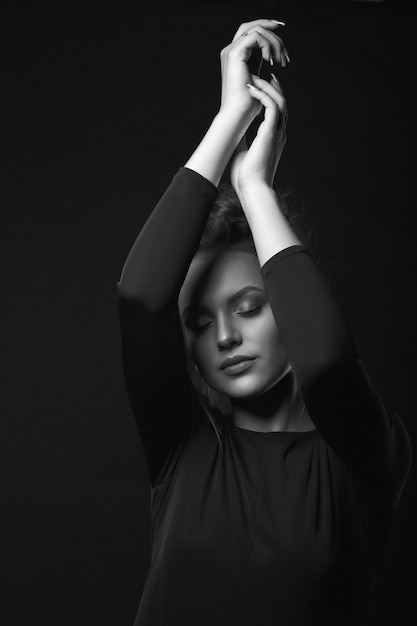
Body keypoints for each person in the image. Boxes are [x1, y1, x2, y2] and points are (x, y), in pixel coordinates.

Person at [117, 18, 411, 626]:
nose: (225, 335)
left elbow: (328, 365)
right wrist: (227, 123)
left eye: (249, 307)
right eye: (198, 323)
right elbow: (142, 298)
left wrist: (255, 187)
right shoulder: (182, 447)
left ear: (289, 306)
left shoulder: (363, 458)